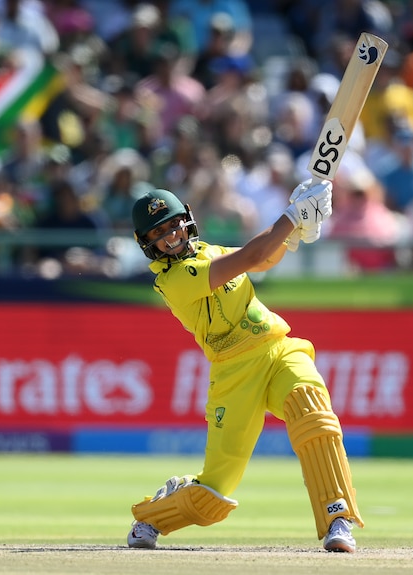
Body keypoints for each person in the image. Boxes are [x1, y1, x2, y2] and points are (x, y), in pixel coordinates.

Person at [126, 180, 364, 552]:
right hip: (234, 374)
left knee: (312, 412)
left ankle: (338, 519)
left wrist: (298, 231)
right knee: (212, 498)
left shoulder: (212, 250)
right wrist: (292, 216)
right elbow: (251, 257)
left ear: (187, 220)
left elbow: (266, 258)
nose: (170, 236)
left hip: (278, 349)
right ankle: (154, 513)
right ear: (147, 243)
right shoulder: (172, 281)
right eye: (159, 232)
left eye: (173, 224)